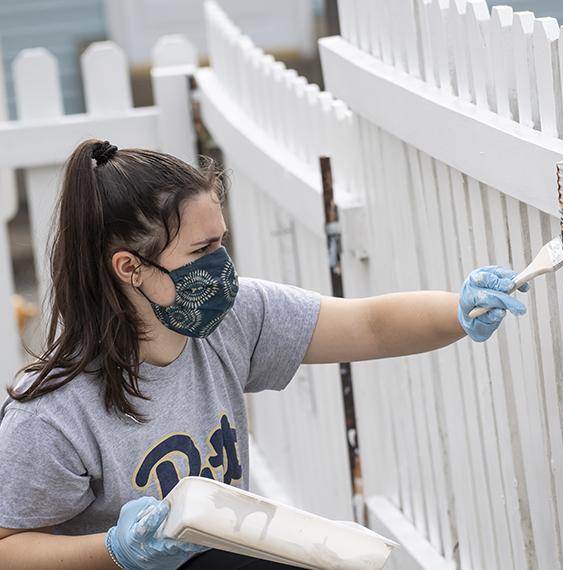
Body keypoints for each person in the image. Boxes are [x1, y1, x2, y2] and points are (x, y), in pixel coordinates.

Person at [0, 140, 528, 569]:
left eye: (220, 243)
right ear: (129, 268)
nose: (221, 265)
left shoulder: (231, 321)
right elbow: (8, 547)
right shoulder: (51, 415)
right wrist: (116, 551)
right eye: (201, 252)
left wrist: (457, 310)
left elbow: (367, 325)